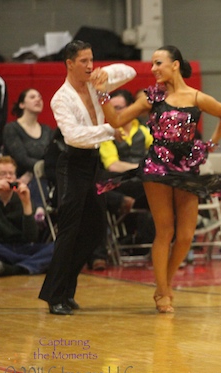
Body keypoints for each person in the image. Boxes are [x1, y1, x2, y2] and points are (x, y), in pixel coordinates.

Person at [94, 45, 221, 313]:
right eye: (153, 64)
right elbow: (118, 118)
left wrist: (210, 146)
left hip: (187, 168)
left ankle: (164, 286)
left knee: (184, 236)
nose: (153, 68)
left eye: (159, 63)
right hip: (156, 167)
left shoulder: (196, 97)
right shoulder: (153, 97)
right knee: (165, 230)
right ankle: (164, 293)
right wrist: (103, 94)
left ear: (175, 65)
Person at [38, 40, 137, 315]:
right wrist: (109, 130)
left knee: (95, 229)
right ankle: (54, 295)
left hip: (93, 164)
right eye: (83, 61)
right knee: (69, 231)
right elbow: (73, 136)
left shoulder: (96, 81)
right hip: (70, 165)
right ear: (69, 64)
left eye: (91, 59)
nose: (89, 65)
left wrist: (106, 71)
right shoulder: (61, 98)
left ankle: (65, 290)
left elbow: (130, 72)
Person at [89, 89, 155, 270]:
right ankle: (98, 255)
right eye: (113, 108)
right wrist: (141, 169)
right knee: (97, 193)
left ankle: (176, 244)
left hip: (142, 183)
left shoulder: (143, 130)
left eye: (119, 107)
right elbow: (113, 165)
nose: (116, 112)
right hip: (120, 182)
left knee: (173, 185)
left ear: (130, 108)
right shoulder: (107, 132)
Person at [0, 156, 54, 277]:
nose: (8, 177)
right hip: (0, 247)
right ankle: (30, 264)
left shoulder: (22, 197)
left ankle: (15, 268)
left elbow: (31, 237)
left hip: (23, 247)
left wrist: (26, 203)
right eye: (2, 174)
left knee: (59, 248)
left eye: (11, 174)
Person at [2, 88, 53, 221]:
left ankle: (40, 212)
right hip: (16, 180)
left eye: (40, 97)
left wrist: (32, 172)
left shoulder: (47, 130)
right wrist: (37, 169)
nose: (38, 99)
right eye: (32, 97)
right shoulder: (11, 128)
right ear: (21, 104)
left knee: (41, 177)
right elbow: (21, 158)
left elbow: (51, 157)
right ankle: (38, 212)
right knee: (38, 177)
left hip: (42, 177)